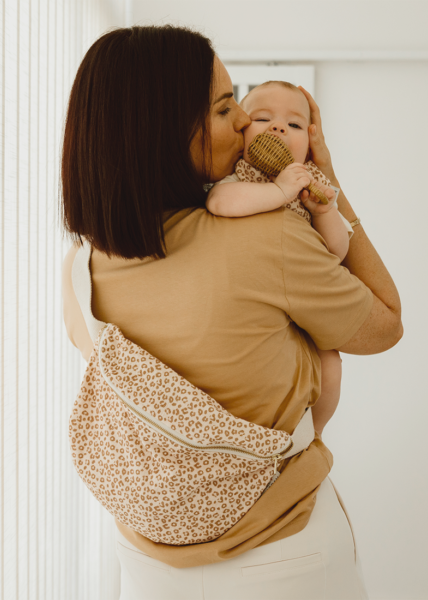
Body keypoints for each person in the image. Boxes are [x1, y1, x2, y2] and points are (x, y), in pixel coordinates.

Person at [60, 25, 403, 600]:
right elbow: (385, 324)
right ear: (165, 132)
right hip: (283, 555)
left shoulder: (80, 268)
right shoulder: (266, 241)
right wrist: (329, 183)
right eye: (225, 109)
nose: (247, 123)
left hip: (148, 568)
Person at [206, 80, 355, 435]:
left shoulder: (311, 181)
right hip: (257, 312)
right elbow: (219, 203)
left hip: (302, 308)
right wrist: (278, 191)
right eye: (262, 119)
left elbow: (337, 250)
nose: (278, 128)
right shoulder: (240, 174)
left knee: (331, 363)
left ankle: (311, 435)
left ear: (309, 145)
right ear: (241, 134)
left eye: (294, 125)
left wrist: (324, 212)